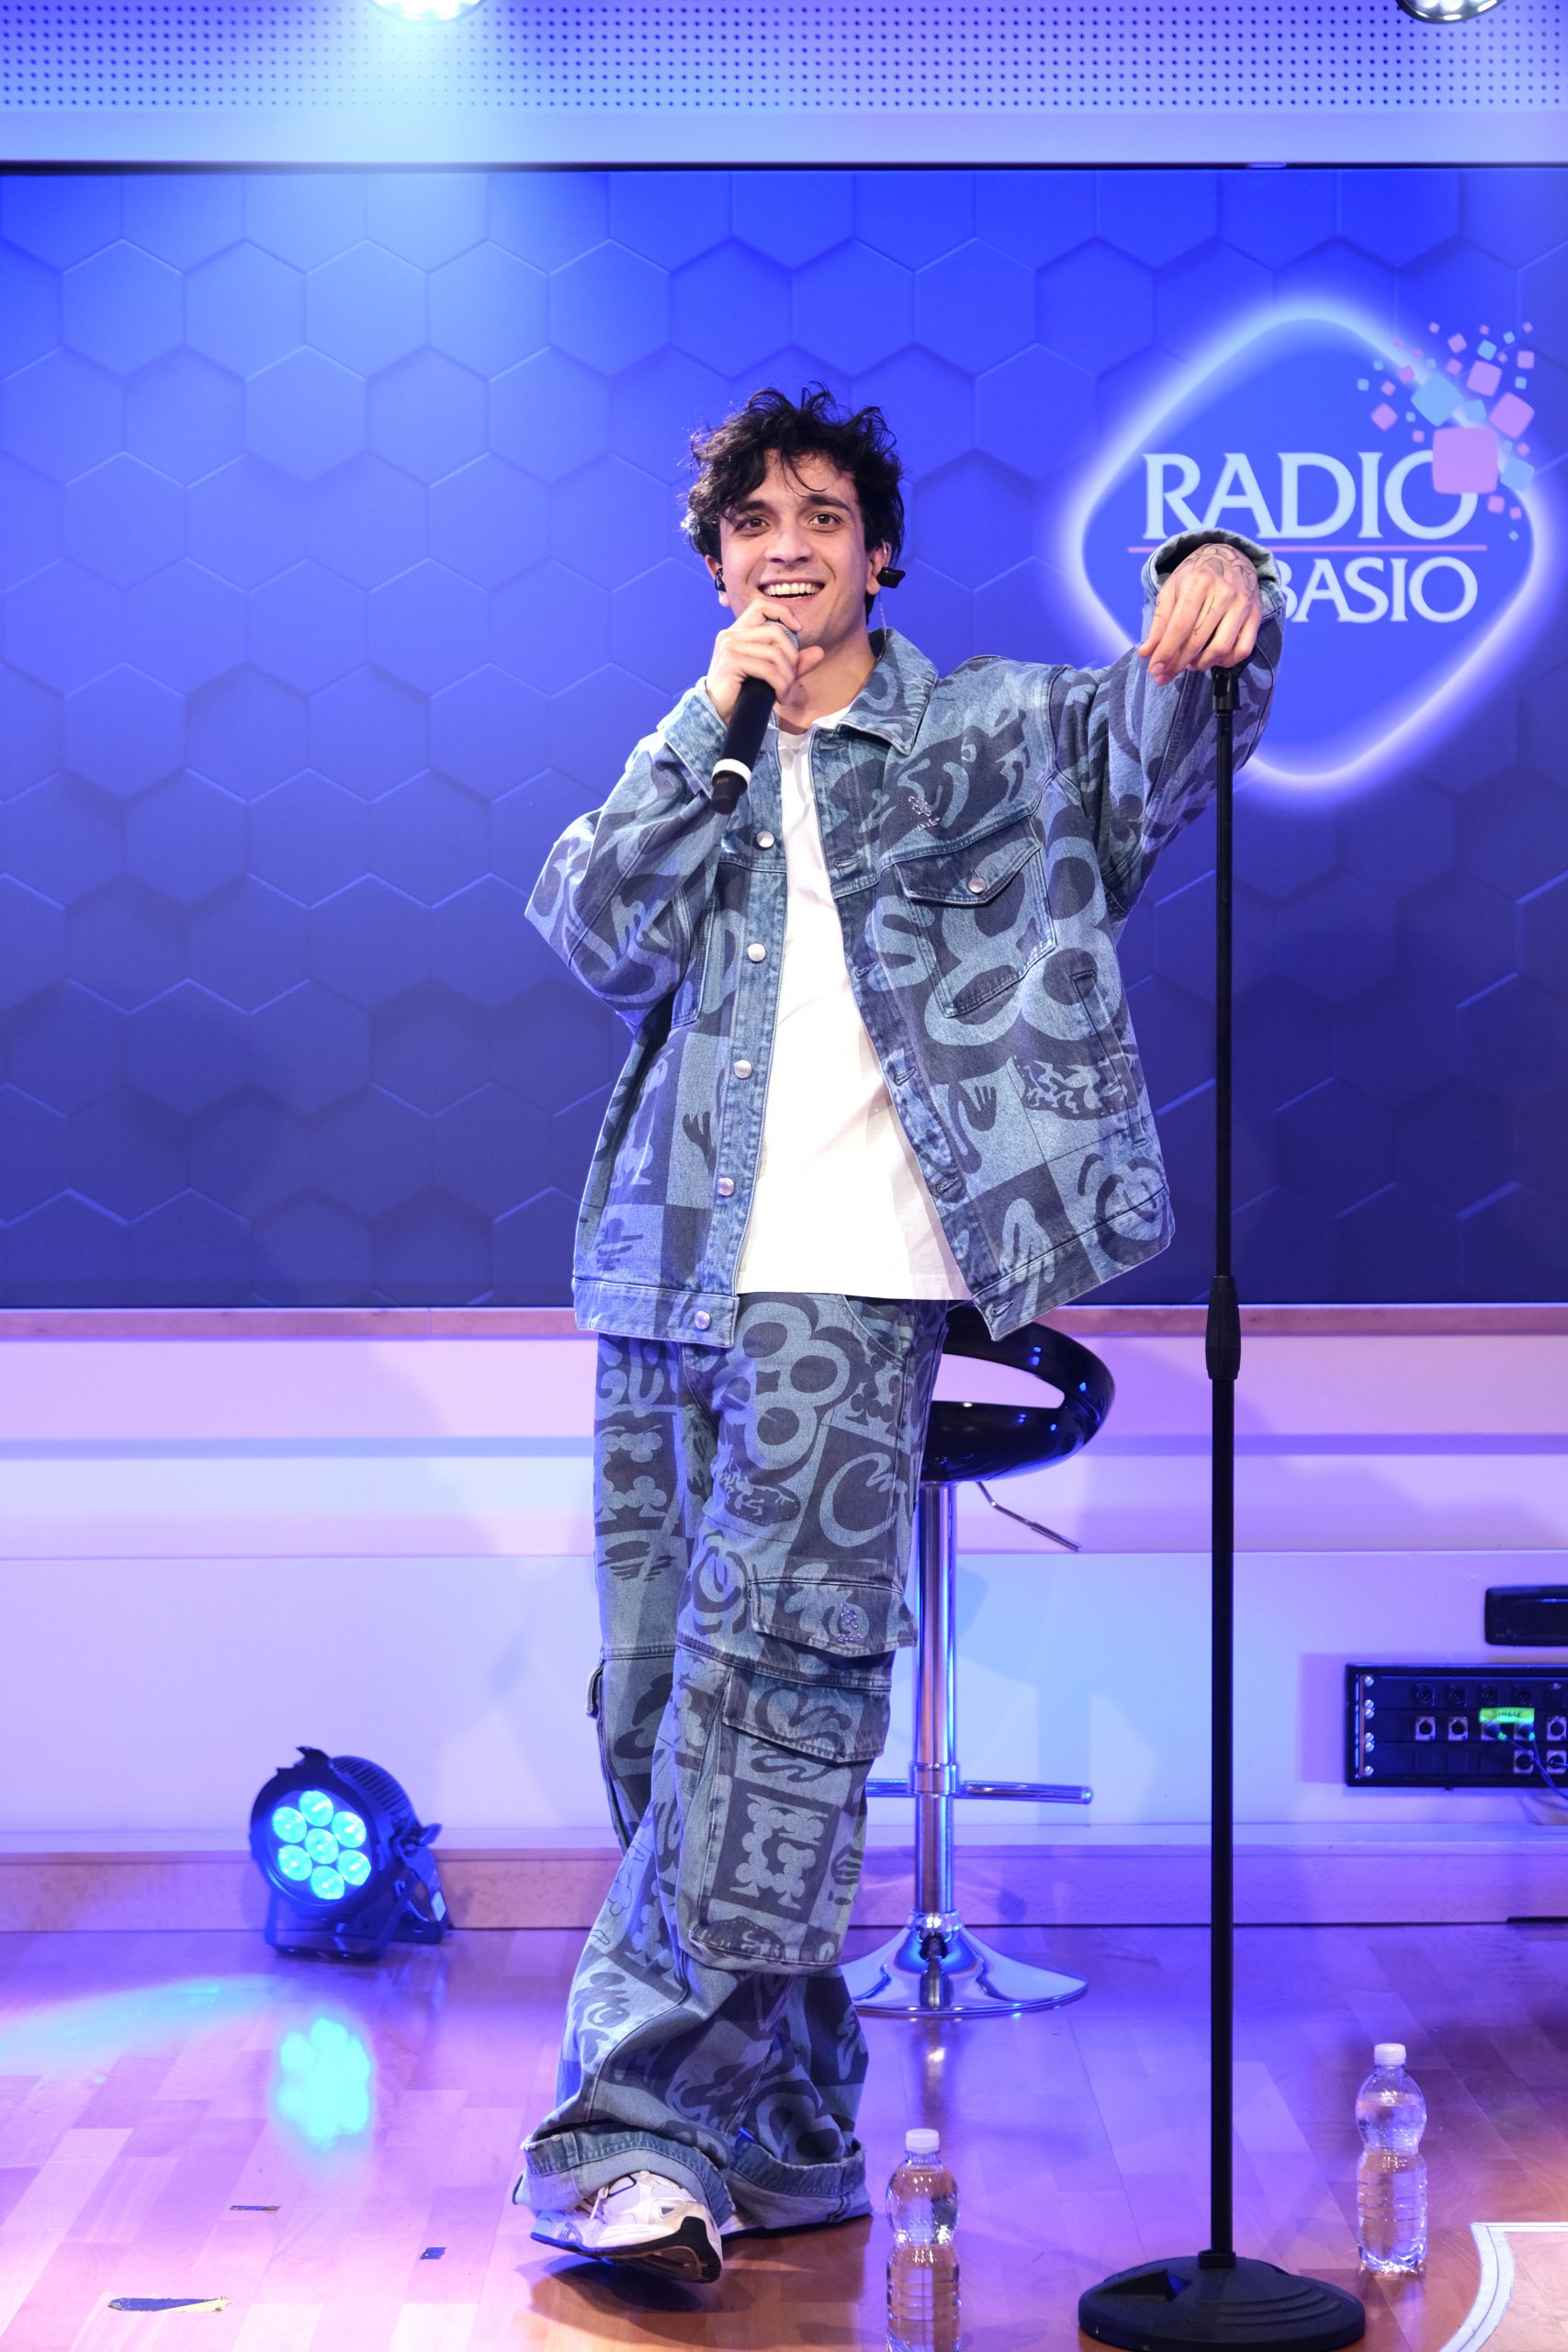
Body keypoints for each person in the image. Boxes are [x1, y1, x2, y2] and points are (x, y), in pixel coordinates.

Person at [518, 387, 1282, 2283]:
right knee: (664, 1712)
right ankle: (784, 2132)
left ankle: (625, 2131)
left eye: (823, 516)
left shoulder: (983, 734)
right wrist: (705, 726)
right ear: (717, 564)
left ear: (879, 551)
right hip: (664, 1275)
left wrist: (1223, 577)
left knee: (768, 1705)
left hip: (848, 1282)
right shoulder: (695, 747)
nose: (788, 546)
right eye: (754, 522)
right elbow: (592, 932)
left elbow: (1168, 729)